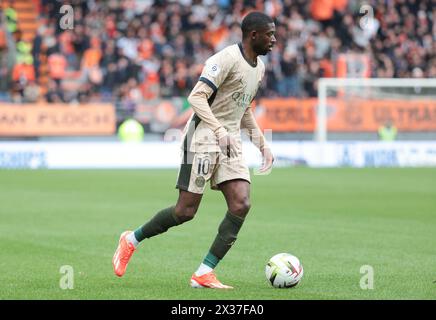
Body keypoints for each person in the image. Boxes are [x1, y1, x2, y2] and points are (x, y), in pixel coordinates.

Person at [112, 11, 276, 289]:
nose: (274, 39)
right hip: (202, 138)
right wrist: (219, 131)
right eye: (270, 34)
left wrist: (263, 145)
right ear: (253, 35)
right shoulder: (225, 59)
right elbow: (196, 97)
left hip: (229, 140)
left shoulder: (259, 68)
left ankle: (204, 272)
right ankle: (131, 240)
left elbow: (244, 111)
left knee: (241, 203)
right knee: (185, 211)